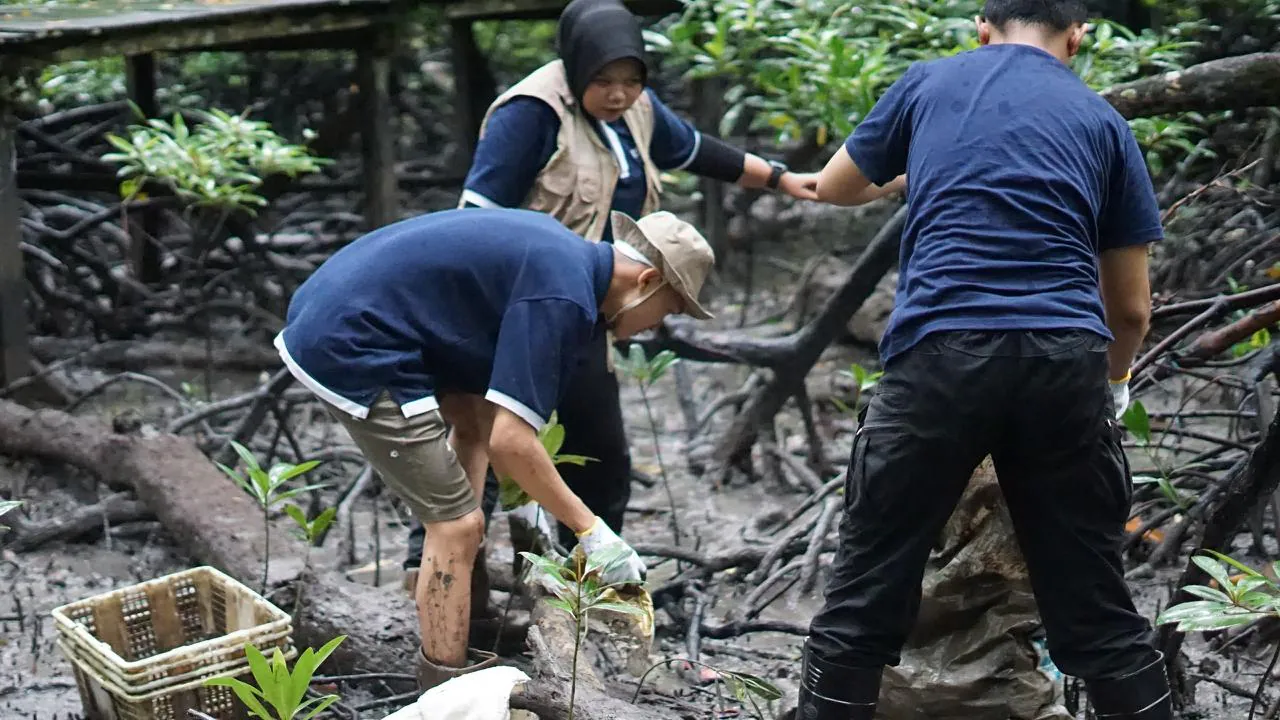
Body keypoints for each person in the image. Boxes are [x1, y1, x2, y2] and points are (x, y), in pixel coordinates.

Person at [797, 2, 1169, 719]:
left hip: (940, 355)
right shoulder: (1103, 123)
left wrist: (917, 172)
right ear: (1078, 36)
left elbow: (834, 186)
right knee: (1096, 610)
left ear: (981, 27)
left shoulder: (927, 84)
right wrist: (1113, 385)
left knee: (864, 596)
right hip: (1063, 360)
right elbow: (1130, 310)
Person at [402, 0, 835, 596]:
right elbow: (475, 219)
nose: (618, 94)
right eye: (603, 81)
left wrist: (782, 178)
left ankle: (593, 590)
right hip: (518, 310)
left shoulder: (637, 110)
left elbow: (694, 149)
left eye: (631, 82)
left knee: (601, 452)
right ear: (576, 69)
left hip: (593, 308)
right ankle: (440, 584)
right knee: (481, 438)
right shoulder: (530, 114)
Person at [273, 206, 716, 691]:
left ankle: (470, 620)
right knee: (457, 524)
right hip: (351, 339)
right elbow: (512, 442)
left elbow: (486, 421)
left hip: (348, 311)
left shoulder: (565, 263)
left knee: (471, 429)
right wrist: (591, 531)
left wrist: (528, 507)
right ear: (647, 280)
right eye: (669, 309)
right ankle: (443, 687)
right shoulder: (563, 295)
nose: (657, 326)